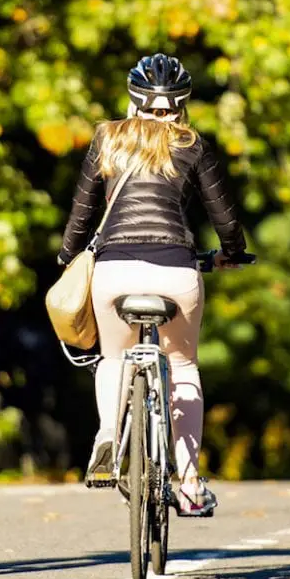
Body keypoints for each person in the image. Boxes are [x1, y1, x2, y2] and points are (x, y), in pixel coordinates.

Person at [58, 53, 249, 516]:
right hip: (176, 270)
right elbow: (224, 217)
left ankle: (108, 437)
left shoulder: (107, 140)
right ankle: (187, 483)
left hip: (114, 272)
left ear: (133, 100)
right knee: (182, 366)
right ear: (181, 105)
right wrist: (232, 252)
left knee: (113, 357)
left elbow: (82, 214)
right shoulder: (192, 144)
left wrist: (67, 257)